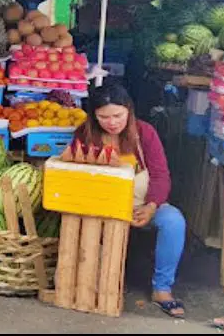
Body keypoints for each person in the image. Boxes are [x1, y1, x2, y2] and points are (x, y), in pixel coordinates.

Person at [73, 83, 186, 318]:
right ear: (93, 115)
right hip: (100, 206)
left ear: (129, 110)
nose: (112, 122)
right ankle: (95, 281)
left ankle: (162, 288)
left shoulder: (145, 133)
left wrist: (151, 206)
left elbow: (160, 175)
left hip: (141, 205)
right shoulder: (85, 134)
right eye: (103, 117)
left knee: (174, 222)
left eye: (118, 115)